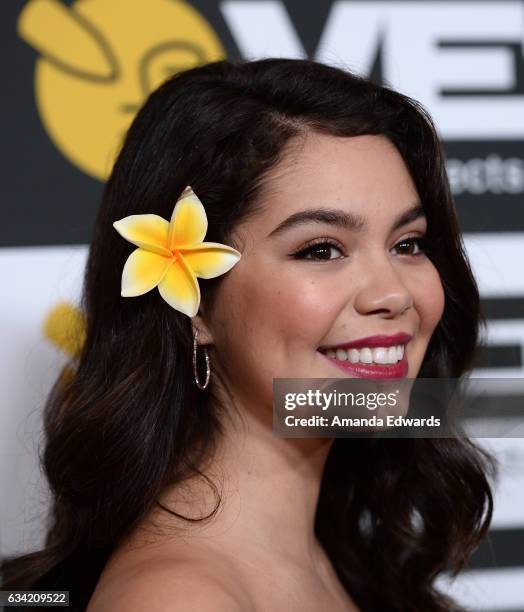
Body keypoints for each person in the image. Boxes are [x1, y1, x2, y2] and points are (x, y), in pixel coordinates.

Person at [1, 58, 495, 612]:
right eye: (321, 249)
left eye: (408, 243)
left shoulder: (339, 555)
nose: (394, 294)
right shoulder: (178, 599)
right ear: (196, 307)